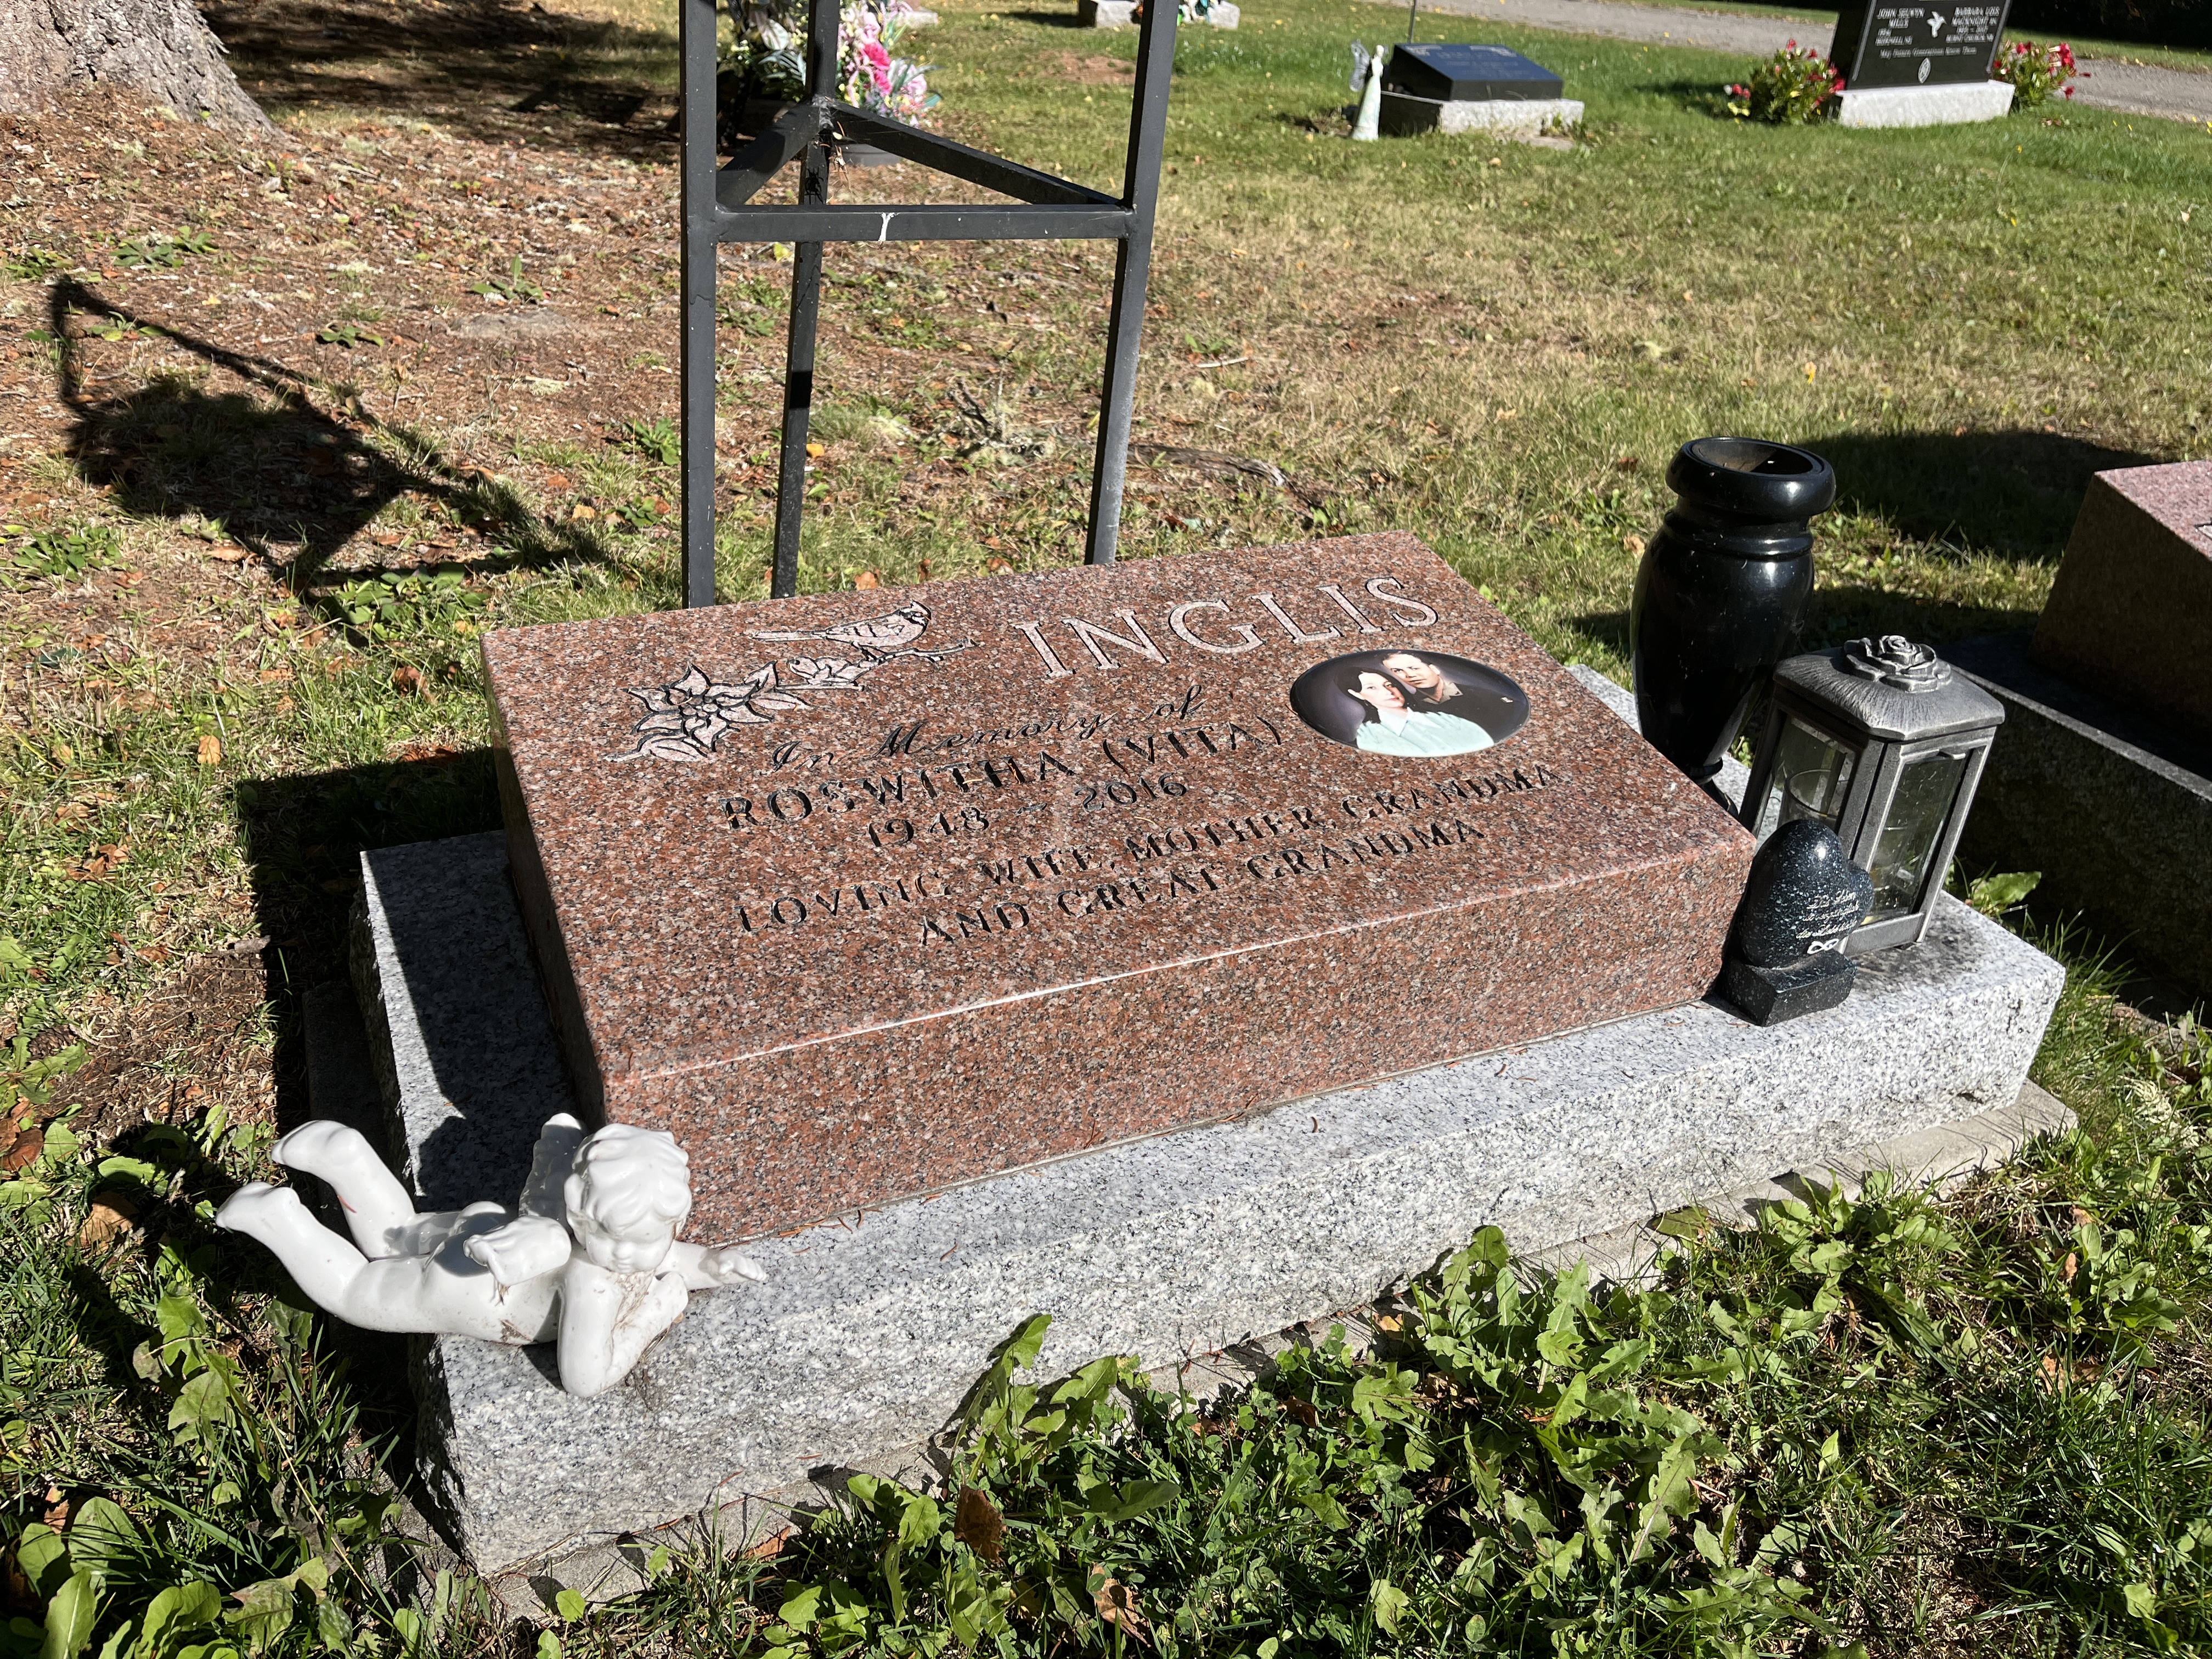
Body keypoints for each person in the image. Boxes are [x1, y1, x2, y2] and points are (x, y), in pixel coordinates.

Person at [216, 1115, 764, 1398]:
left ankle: (348, 1159)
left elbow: (658, 1259)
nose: (632, 1257)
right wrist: (653, 1316)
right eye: (620, 1241)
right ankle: (280, 1221)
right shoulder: (593, 1286)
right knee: (357, 1290)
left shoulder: (596, 1226)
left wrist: (710, 1265)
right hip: (470, 1289)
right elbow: (585, 1377)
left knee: (398, 1235)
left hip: (488, 1226)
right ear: (578, 1214)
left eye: (651, 1239)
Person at [1340, 667, 1494, 757]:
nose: (1389, 692)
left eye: (1389, 685)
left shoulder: (1446, 717)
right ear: (1357, 694)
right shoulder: (1370, 735)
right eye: (1372, 688)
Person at [1382, 651, 1471, 714]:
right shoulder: (1410, 705)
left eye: (1414, 668)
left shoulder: (1474, 692)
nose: (1410, 675)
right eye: (1398, 671)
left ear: (1434, 669)